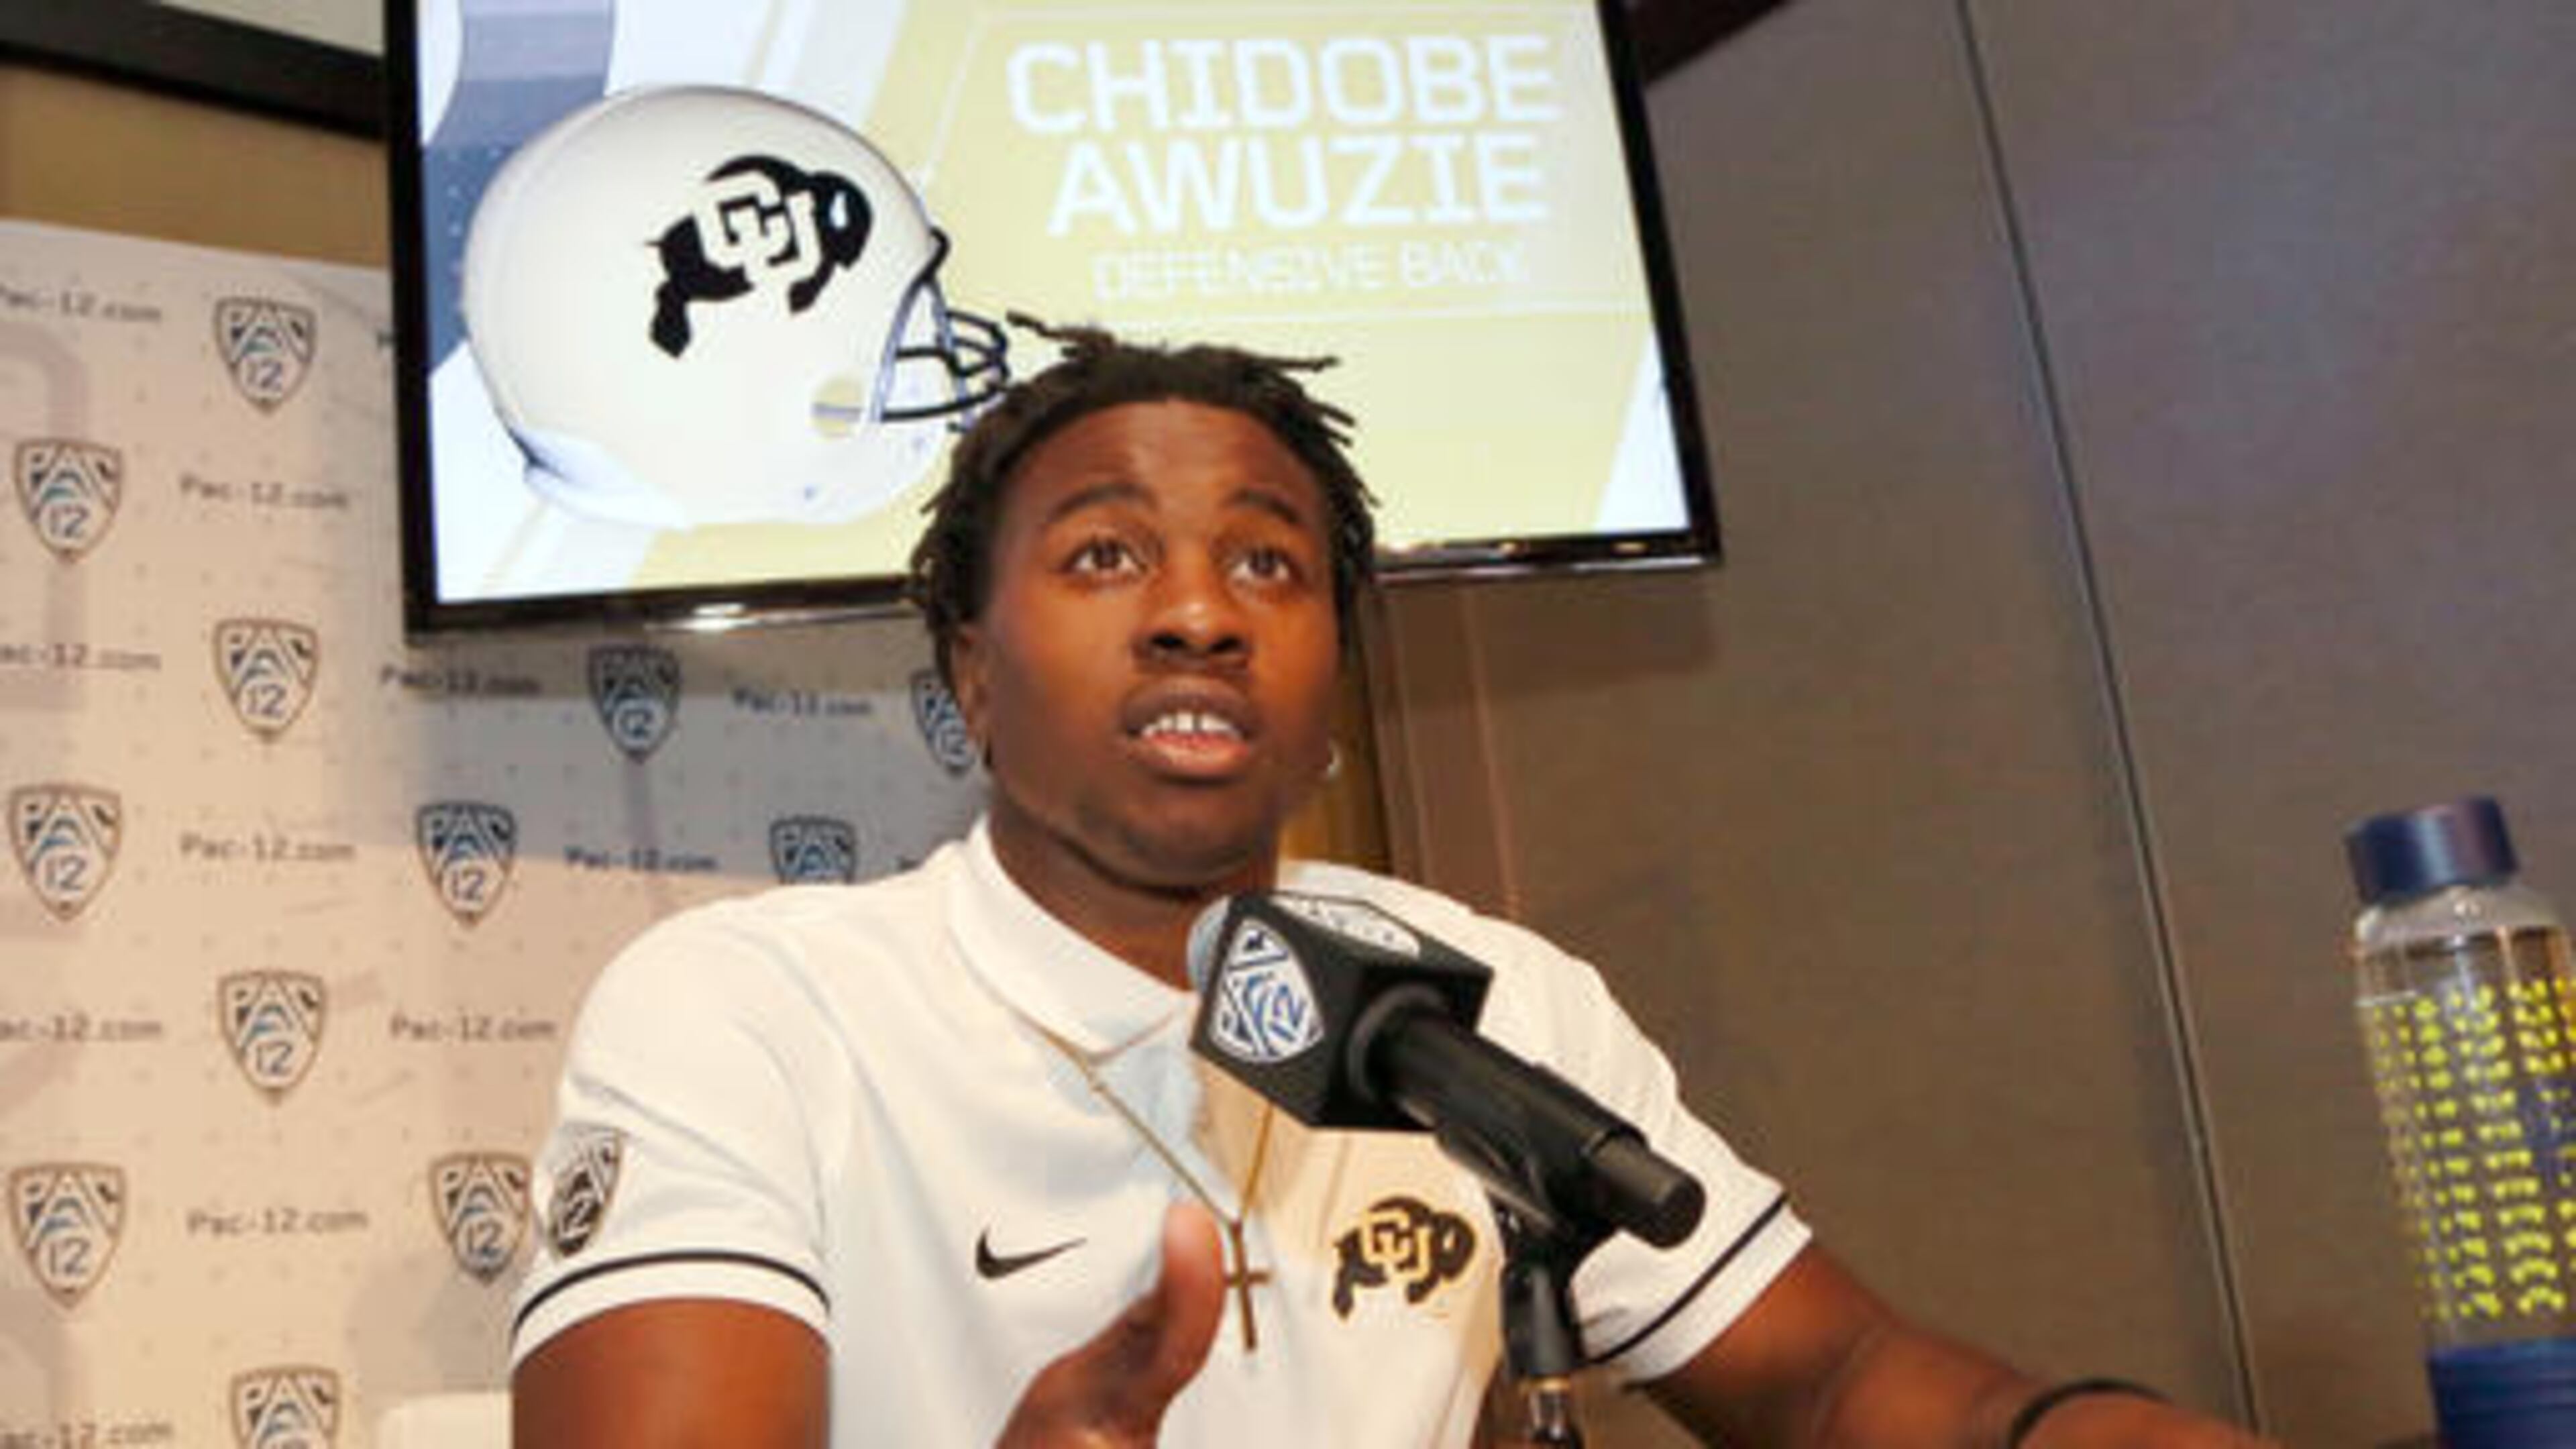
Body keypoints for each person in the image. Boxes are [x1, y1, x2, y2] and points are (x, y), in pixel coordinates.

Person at [509, 321, 2276, 1447]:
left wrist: (2077, 1433)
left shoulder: (1492, 1002)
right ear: (972, 675)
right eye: (1107, 552)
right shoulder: (753, 1005)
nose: (1201, 608)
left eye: (1267, 562)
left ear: (1330, 691)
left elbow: (1824, 1380)